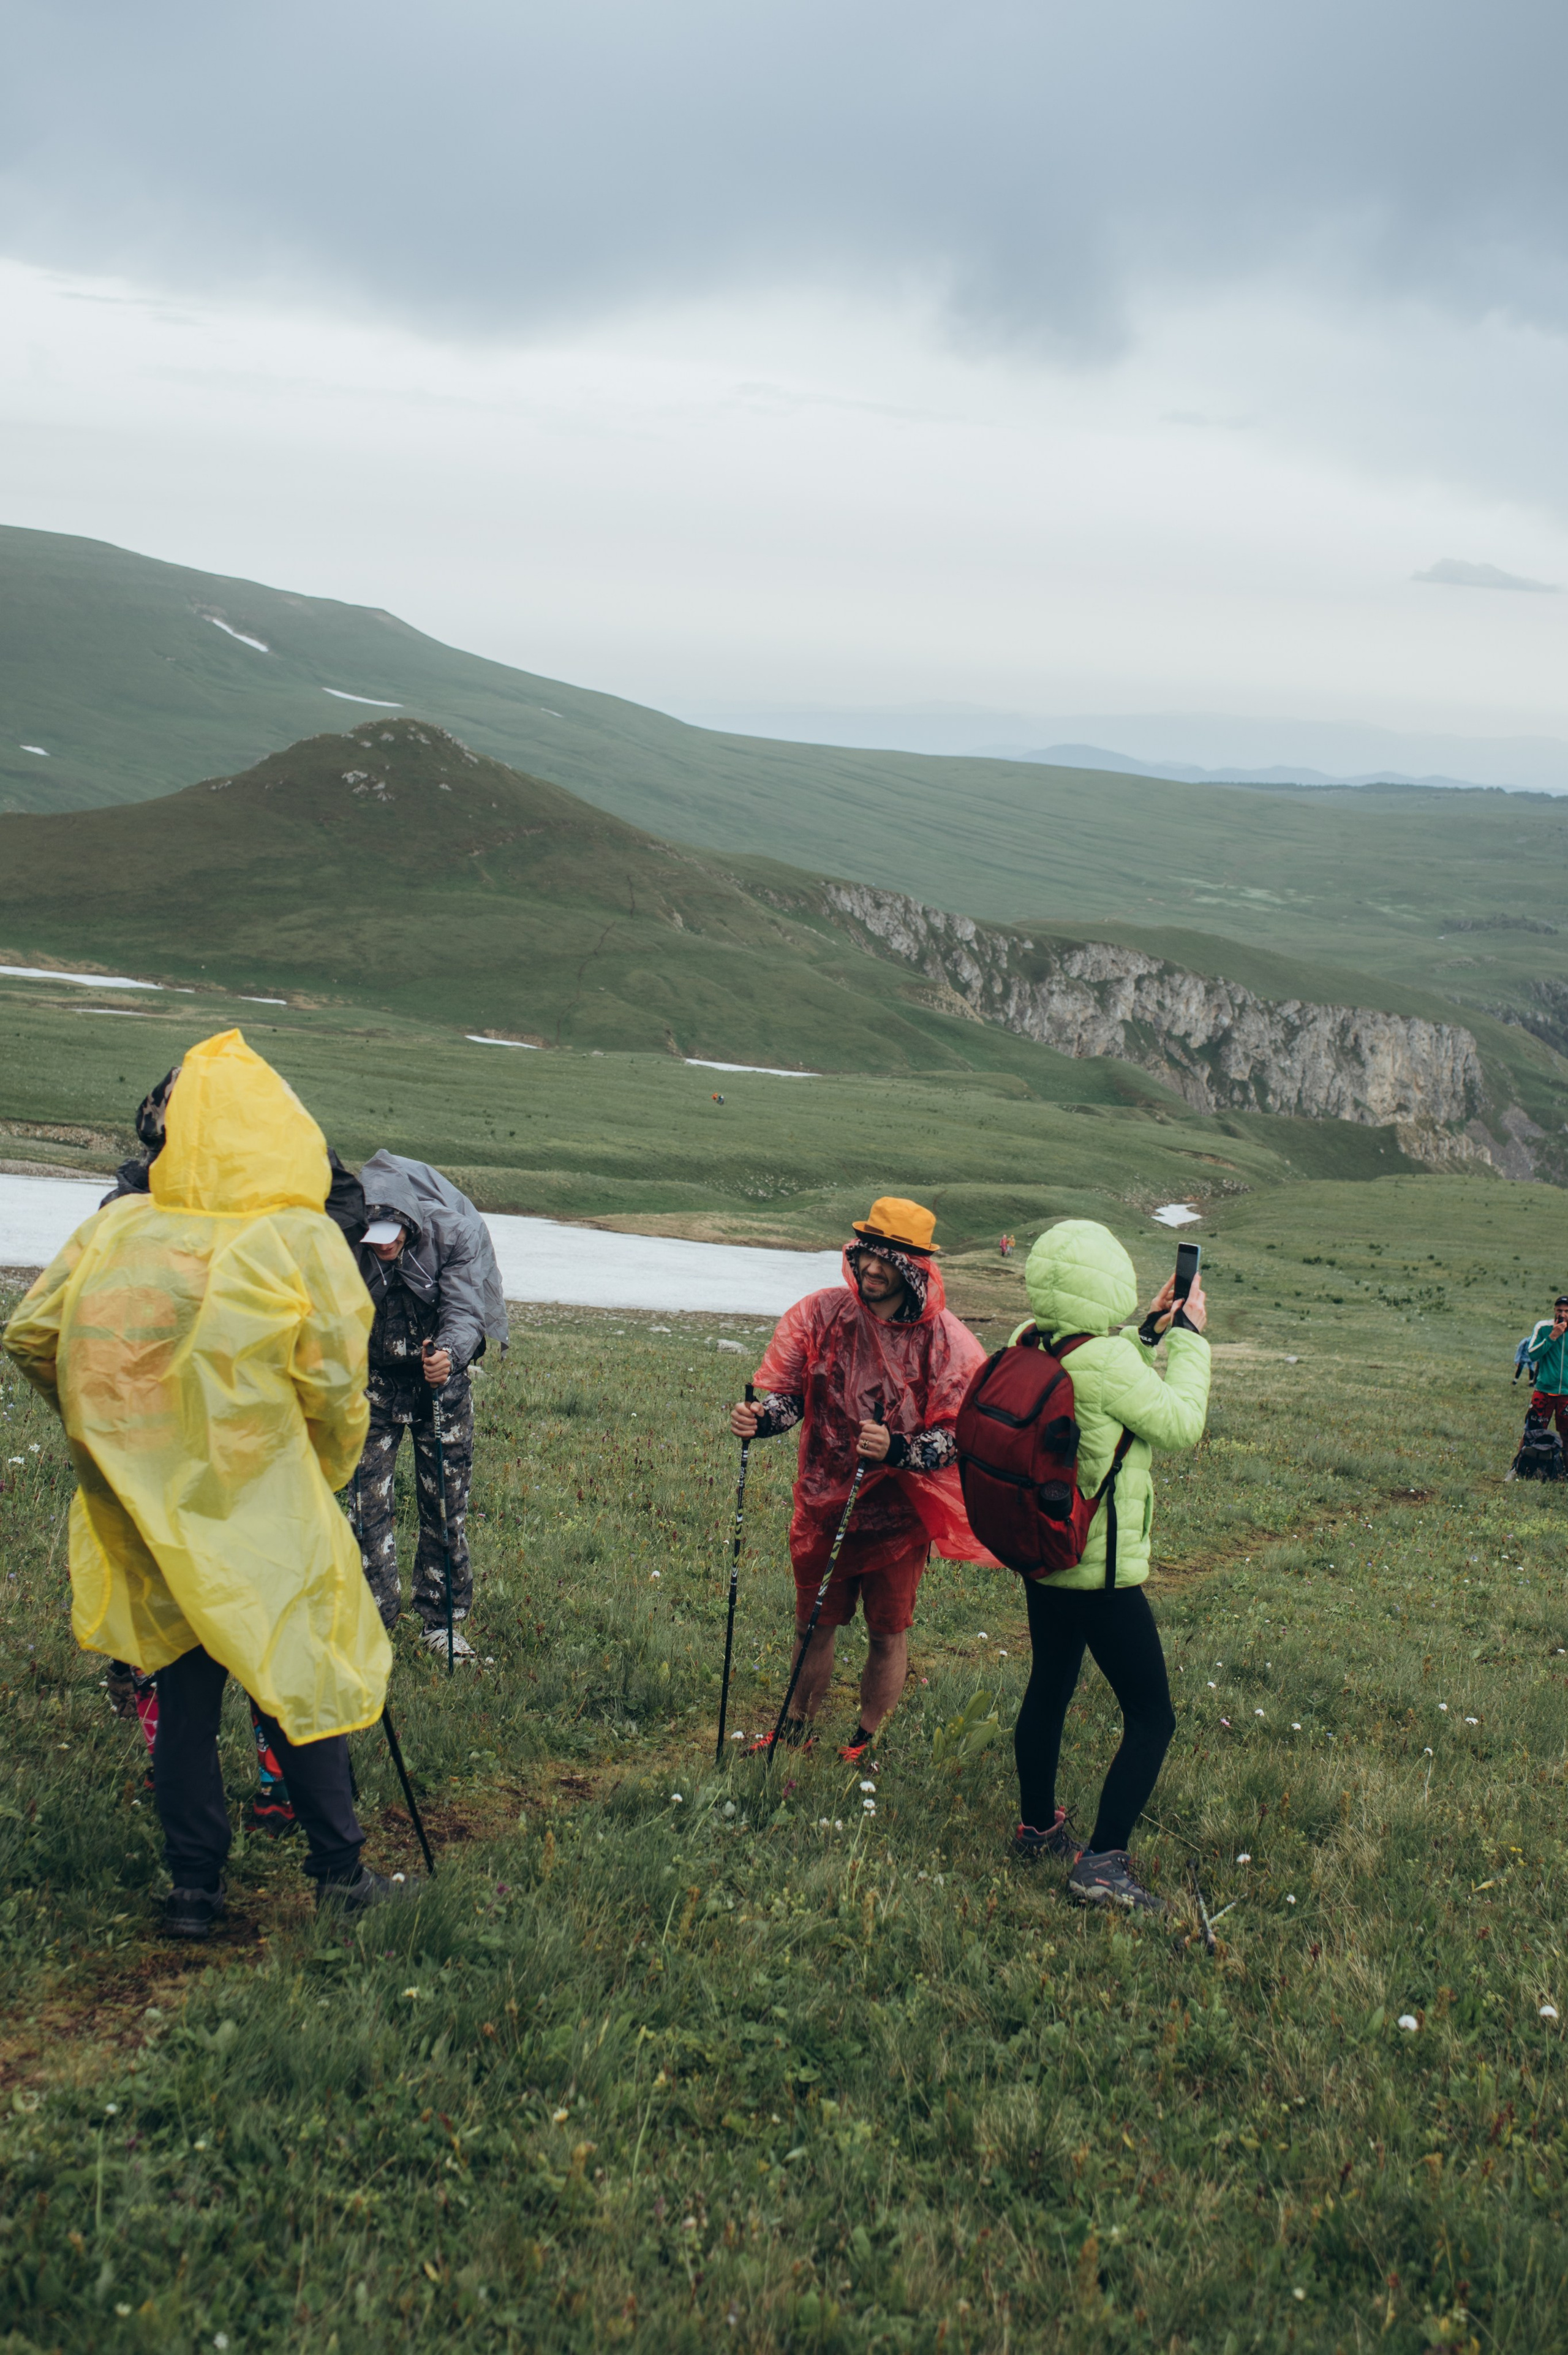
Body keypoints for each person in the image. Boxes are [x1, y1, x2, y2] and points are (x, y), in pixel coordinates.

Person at [4, 1029, 405, 1937]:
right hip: (263, 1498)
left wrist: (112, 1435)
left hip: (153, 1508)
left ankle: (194, 1891)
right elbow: (340, 1386)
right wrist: (318, 1463)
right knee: (298, 1673)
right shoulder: (297, 1240)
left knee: (180, 1699)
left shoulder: (119, 1228)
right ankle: (339, 1876)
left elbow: (34, 1337)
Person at [729, 1196, 996, 1762]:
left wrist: (899, 1449)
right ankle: (795, 1728)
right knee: (813, 1625)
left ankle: (865, 1738)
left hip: (897, 1518)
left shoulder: (945, 1341)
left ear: (915, 1269)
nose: (872, 1269)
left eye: (888, 1260)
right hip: (824, 1502)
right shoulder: (824, 1315)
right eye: (866, 1254)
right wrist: (760, 1421)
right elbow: (791, 1399)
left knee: (886, 1630)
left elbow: (958, 1434)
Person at [1006, 1219, 1210, 1914]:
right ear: (1109, 1282)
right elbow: (1180, 1422)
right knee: (1152, 1716)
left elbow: (1099, 1369)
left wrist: (1149, 1330)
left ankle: (1037, 1829)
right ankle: (1102, 1862)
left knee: (1050, 1688)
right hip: (1101, 1573)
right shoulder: (1108, 1363)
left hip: (1045, 1559)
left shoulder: (1031, 1342)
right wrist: (1188, 1338)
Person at [350, 1151, 508, 1661]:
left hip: (438, 1383)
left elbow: (466, 1312)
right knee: (364, 1502)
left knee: (445, 1498)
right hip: (372, 1384)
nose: (385, 1246)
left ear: (407, 1222)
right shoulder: (344, 1241)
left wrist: (450, 1355)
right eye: (374, 1239)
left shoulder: (453, 1234)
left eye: (391, 1236)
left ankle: (441, 1622)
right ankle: (369, 1621)